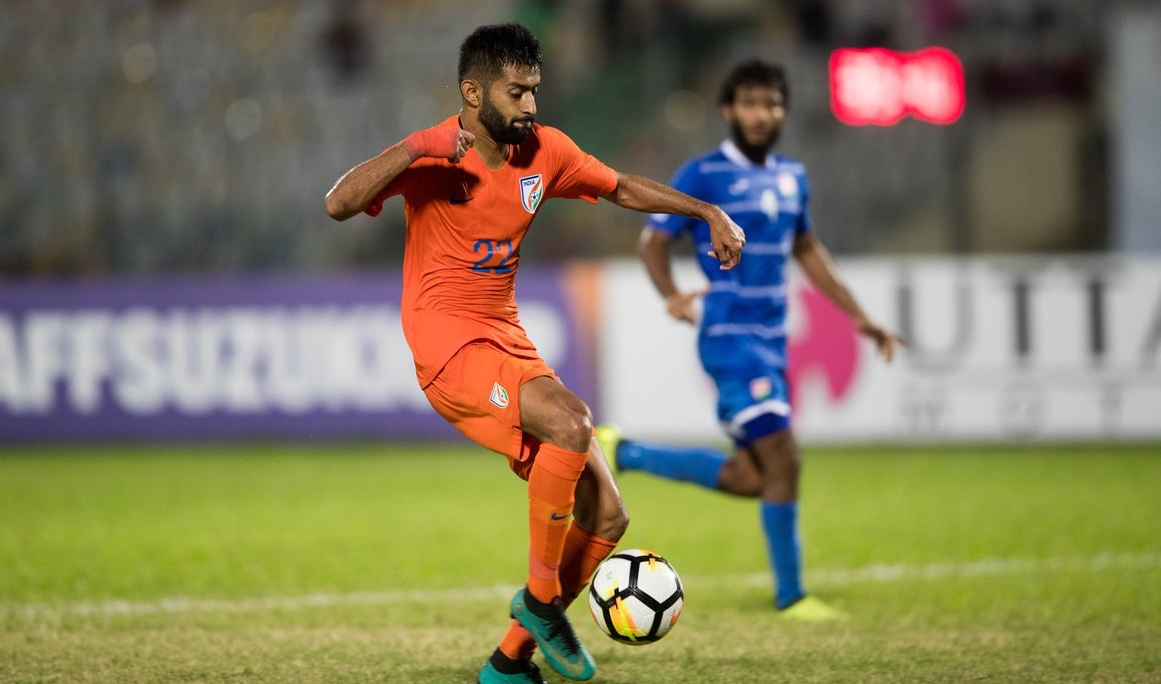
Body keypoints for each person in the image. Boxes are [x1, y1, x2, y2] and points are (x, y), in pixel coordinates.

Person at [324, 23, 745, 684]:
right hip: (448, 348)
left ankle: (508, 663)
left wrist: (706, 212)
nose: (530, 105)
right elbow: (338, 203)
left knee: (608, 513)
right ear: (473, 93)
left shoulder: (545, 151)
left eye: (533, 91)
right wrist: (415, 147)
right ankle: (542, 600)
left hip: (506, 338)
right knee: (571, 422)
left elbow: (620, 187)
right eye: (516, 92)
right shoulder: (434, 156)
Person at [596, 59, 904, 621]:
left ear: (784, 111)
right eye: (751, 103)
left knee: (753, 477)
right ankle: (792, 596)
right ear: (729, 110)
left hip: (773, 340)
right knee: (785, 458)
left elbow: (807, 250)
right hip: (730, 338)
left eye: (772, 104)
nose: (762, 114)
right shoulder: (703, 174)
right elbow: (653, 241)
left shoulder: (793, 177)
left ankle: (626, 452)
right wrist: (670, 293)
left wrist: (858, 316)